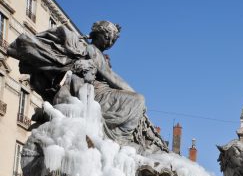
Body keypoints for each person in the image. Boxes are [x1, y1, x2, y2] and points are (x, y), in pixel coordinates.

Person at [8, 20, 166, 152]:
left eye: (113, 41)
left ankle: (121, 138)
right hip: (97, 93)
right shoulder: (92, 50)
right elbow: (111, 77)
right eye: (108, 38)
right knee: (138, 100)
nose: (110, 43)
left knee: (137, 103)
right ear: (99, 34)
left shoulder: (98, 54)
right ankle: (120, 139)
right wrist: (134, 93)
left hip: (100, 92)